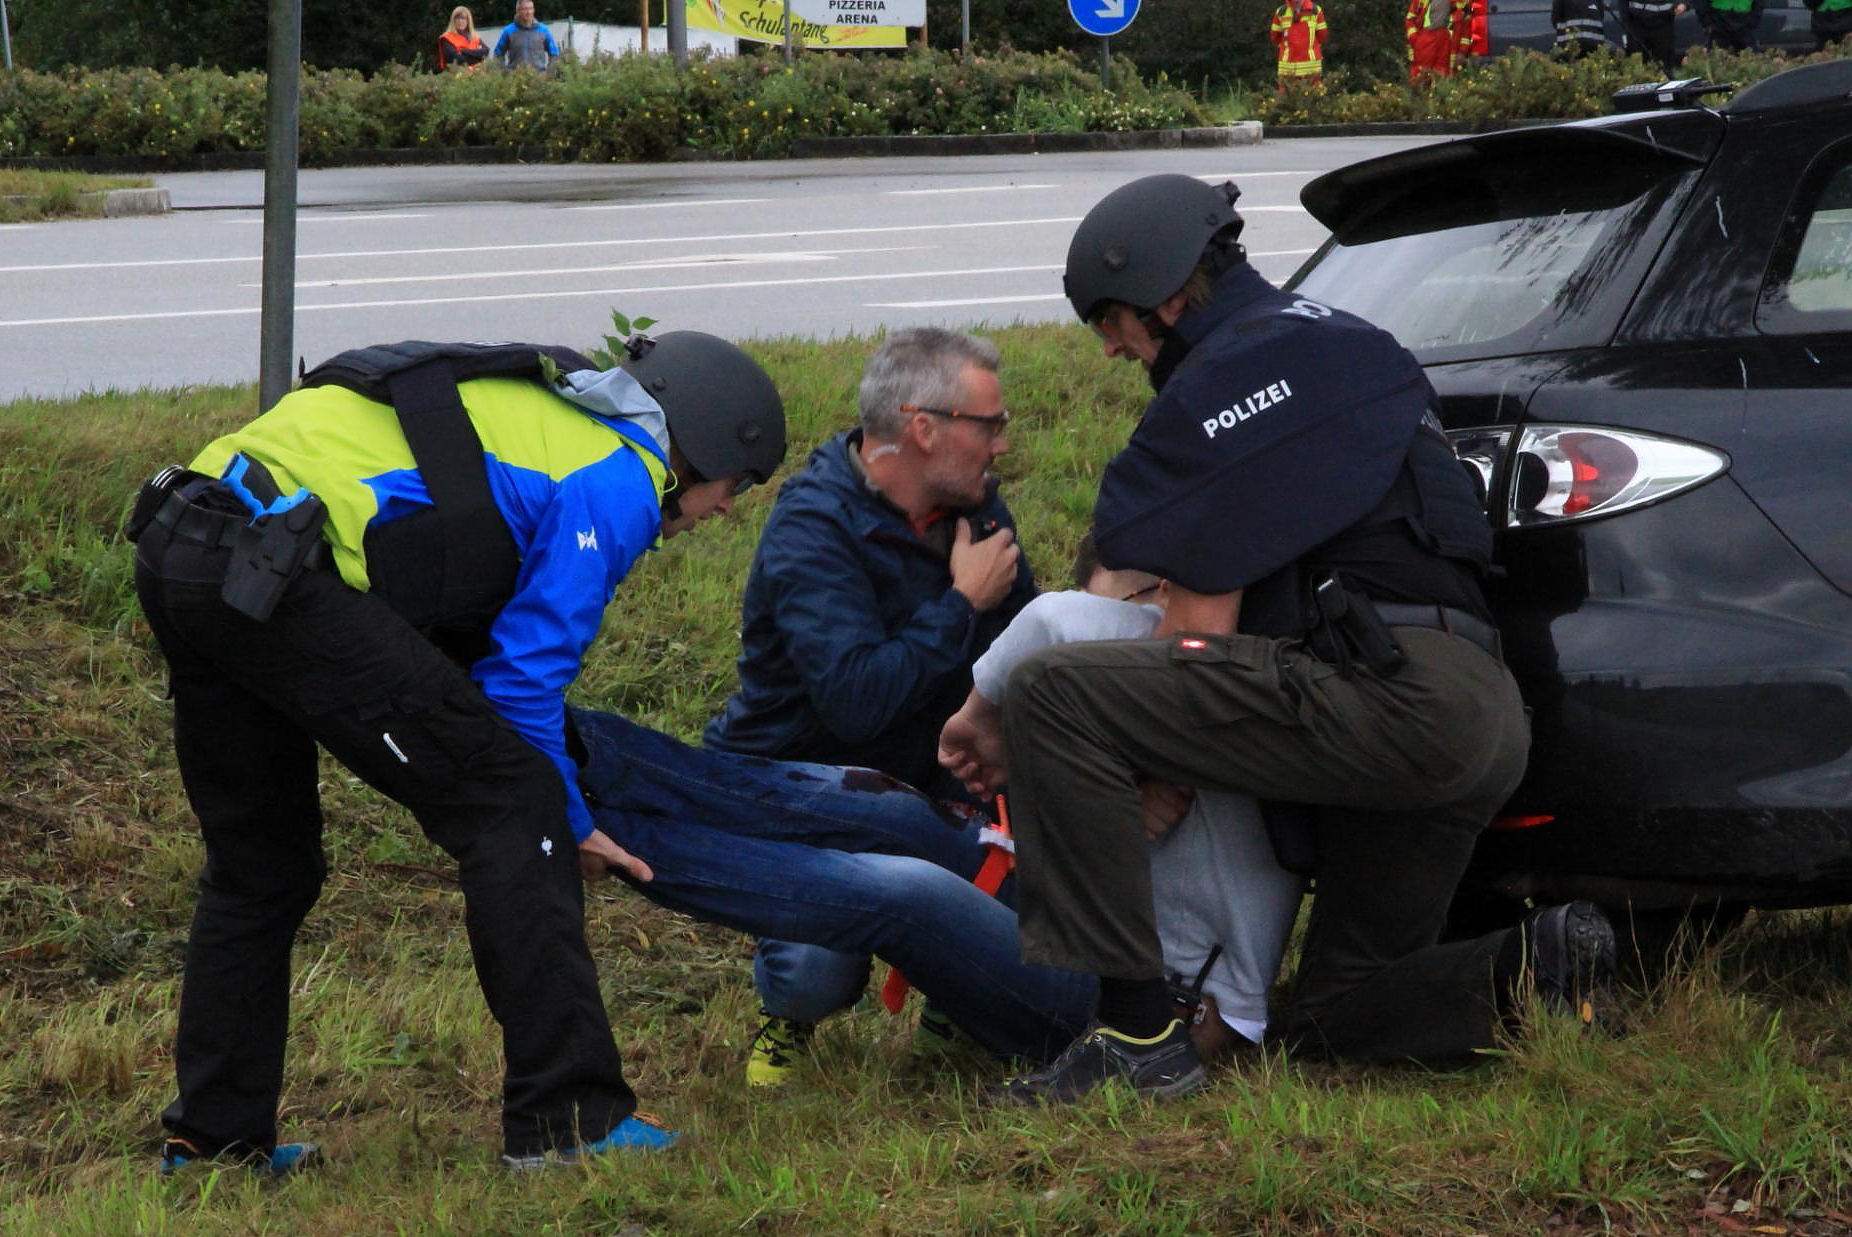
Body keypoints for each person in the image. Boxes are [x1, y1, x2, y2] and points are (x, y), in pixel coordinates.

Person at [939, 174, 1617, 1104]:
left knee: (1056, 690)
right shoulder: (1349, 342)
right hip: (1483, 713)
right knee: (1339, 1010)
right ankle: (1541, 963)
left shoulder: (1227, 377)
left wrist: (1142, 767)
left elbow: (1198, 634)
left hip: (1387, 698)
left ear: (1164, 295)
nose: (1110, 347)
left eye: (1111, 321)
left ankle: (1135, 1036)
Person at [130, 331, 785, 1173]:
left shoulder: (552, 406)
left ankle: (213, 1142)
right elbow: (521, 687)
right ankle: (568, 1120)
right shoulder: (619, 475)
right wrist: (571, 822)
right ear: (705, 444)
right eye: (739, 484)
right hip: (275, 567)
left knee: (262, 865)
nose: (728, 507)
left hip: (184, 541)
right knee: (514, 800)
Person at [565, 541, 1302, 1071]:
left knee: (905, 893)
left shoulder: (1208, 673)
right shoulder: (1185, 694)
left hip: (1157, 1009)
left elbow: (1053, 621)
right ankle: (579, 748)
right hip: (1075, 923)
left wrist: (981, 719)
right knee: (886, 808)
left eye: (1116, 611)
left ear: (1158, 602)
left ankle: (606, 835)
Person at [703, 327, 1036, 1084]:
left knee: (1049, 818)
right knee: (816, 975)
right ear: (924, 429)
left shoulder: (974, 504)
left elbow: (1019, 640)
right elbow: (856, 701)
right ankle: (789, 1009)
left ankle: (957, 1003)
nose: (1002, 445)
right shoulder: (813, 530)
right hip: (810, 784)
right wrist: (961, 602)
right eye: (990, 425)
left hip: (937, 766)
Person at [1269, 0, 1329, 91]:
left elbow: (1322, 36)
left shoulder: (1315, 11)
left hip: (1310, 71)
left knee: (1312, 98)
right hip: (1288, 70)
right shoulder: (1281, 12)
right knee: (1287, 99)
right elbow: (1275, 37)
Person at [493, 0, 559, 73]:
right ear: (518, 11)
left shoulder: (543, 30)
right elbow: (498, 54)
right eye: (525, 9)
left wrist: (549, 73)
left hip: (539, 77)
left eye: (531, 8)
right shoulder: (509, 31)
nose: (529, 12)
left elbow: (554, 54)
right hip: (515, 77)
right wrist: (504, 72)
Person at [1405, 0, 1464, 80]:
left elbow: (1462, 23)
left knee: (1442, 73)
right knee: (1421, 73)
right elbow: (1410, 19)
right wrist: (1414, 38)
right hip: (1425, 38)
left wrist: (1462, 50)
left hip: (1444, 39)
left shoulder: (1456, 2)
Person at [1623, 0, 1686, 71]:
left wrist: (1683, 3)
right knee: (1636, 66)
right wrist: (1625, 24)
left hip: (1664, 24)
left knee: (1665, 66)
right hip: (1637, 25)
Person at [437, 6, 490, 72]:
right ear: (453, 20)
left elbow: (486, 51)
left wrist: (464, 52)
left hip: (479, 74)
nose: (460, 21)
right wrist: (478, 56)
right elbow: (456, 60)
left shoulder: (474, 36)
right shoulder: (446, 38)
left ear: (468, 21)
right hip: (458, 76)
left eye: (463, 18)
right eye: (457, 18)